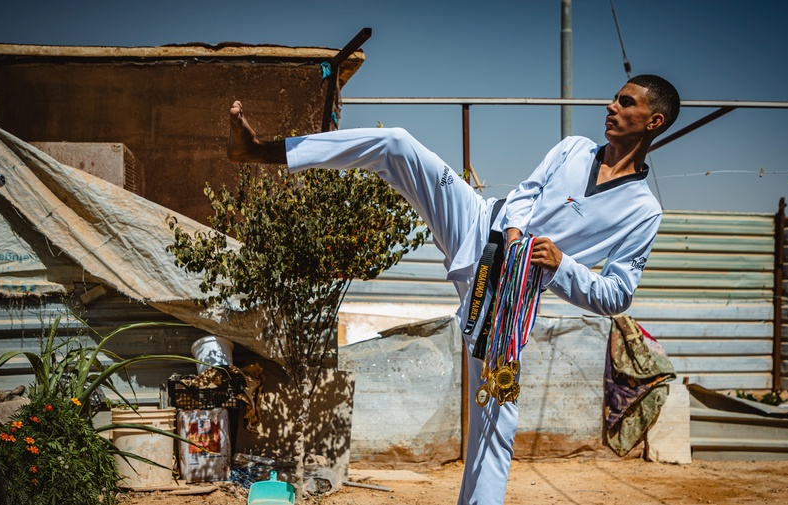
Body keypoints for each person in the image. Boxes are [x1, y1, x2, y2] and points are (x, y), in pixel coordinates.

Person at [226, 74, 680, 505]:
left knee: (497, 417)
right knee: (397, 143)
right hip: (481, 223)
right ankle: (261, 150)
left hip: (507, 300)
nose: (610, 105)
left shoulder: (643, 210)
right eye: (615, 98)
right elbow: (527, 191)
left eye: (625, 102)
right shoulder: (574, 148)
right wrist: (517, 228)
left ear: (653, 121)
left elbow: (617, 294)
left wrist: (562, 267)